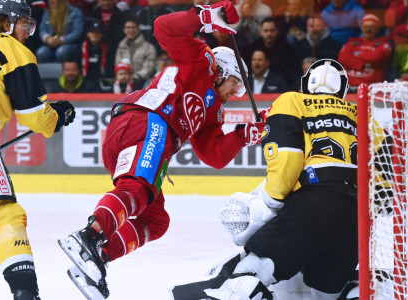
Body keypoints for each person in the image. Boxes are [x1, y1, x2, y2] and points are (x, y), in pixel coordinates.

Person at [57, 2, 265, 298]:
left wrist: (246, 134)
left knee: (156, 221)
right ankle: (88, 236)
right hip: (148, 122)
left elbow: (214, 155)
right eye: (235, 84)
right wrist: (205, 16)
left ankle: (97, 257)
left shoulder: (213, 111)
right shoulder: (201, 60)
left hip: (137, 135)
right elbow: (163, 29)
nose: (236, 93)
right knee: (137, 190)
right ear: (225, 70)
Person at [205, 59, 360, 300]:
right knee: (324, 293)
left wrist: (272, 200)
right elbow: (384, 176)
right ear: (342, 88)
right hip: (355, 214)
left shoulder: (293, 100)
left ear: (308, 84)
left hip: (313, 203)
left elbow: (287, 158)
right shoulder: (362, 112)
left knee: (254, 269)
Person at [0, 0, 75, 298]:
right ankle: (25, 293)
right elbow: (35, 118)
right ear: (4, 22)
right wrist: (58, 115)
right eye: (23, 23)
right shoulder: (15, 51)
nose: (28, 31)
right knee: (5, 213)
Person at [338, 13, 393, 87]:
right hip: (349, 85)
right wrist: (363, 65)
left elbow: (377, 57)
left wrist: (355, 57)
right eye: (365, 27)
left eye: (371, 27)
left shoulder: (384, 42)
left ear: (377, 28)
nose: (368, 29)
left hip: (373, 86)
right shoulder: (353, 41)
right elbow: (343, 57)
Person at [115, 15, 157, 90]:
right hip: (123, 82)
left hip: (142, 83)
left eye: (133, 27)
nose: (131, 30)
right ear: (124, 30)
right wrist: (124, 76)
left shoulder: (149, 48)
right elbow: (118, 65)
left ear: (138, 29)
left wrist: (134, 77)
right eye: (128, 28)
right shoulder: (121, 47)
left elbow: (148, 69)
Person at [81, 19, 108, 92]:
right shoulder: (80, 49)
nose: (95, 35)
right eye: (92, 32)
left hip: (101, 81)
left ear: (102, 35)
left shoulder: (107, 49)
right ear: (88, 34)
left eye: (98, 32)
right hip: (84, 81)